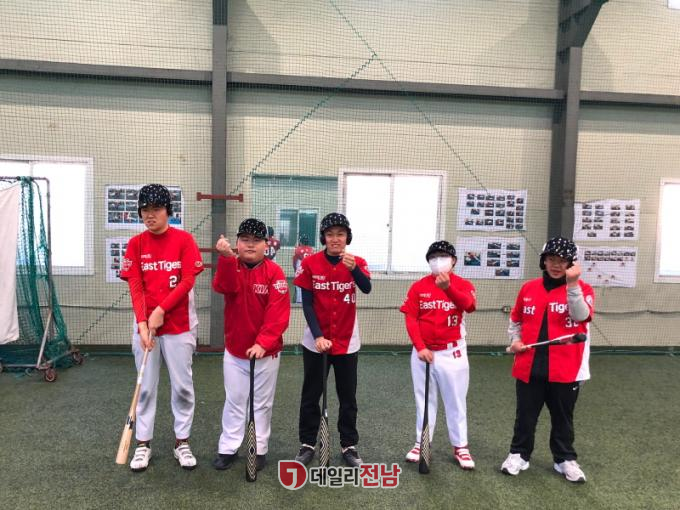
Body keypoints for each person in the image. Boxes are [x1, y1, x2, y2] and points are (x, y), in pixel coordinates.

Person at [119, 184, 204, 472]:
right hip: (146, 327)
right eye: (145, 210)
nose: (150, 215)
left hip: (179, 325)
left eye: (156, 209)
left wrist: (161, 310)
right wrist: (142, 323)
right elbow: (135, 286)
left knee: (182, 387)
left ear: (168, 211)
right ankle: (143, 443)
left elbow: (187, 281)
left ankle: (182, 442)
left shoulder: (184, 240)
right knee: (145, 387)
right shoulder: (136, 244)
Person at [501, 236, 594, 483]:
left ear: (571, 264)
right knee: (525, 416)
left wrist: (572, 285)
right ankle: (519, 454)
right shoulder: (528, 288)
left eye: (562, 260)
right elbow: (516, 320)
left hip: (566, 369)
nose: (556, 265)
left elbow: (581, 315)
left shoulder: (583, 289)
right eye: (551, 259)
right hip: (529, 366)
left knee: (563, 418)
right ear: (543, 261)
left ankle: (564, 459)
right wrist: (515, 340)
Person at [211, 218, 291, 472]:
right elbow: (223, 286)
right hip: (235, 351)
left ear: (266, 245)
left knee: (262, 404)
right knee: (234, 400)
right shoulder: (231, 264)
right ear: (237, 242)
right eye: (244, 239)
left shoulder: (274, 273)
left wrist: (262, 343)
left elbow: (278, 314)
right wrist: (226, 258)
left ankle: (259, 448)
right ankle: (228, 447)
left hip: (266, 354)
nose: (250, 245)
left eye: (256, 240)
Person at [293, 213, 371, 467]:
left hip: (347, 341)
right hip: (316, 342)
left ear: (347, 237)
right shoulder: (310, 263)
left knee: (347, 397)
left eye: (340, 234)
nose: (335, 239)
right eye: (330, 234)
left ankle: (349, 445)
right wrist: (318, 336)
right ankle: (307, 443)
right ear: (323, 238)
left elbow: (366, 288)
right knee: (311, 394)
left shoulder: (357, 262)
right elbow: (307, 304)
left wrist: (354, 269)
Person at [400, 241, 477, 470]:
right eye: (433, 257)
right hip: (423, 353)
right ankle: (421, 443)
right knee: (424, 400)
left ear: (453, 260)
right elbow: (411, 318)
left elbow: (469, 306)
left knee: (456, 400)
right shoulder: (418, 286)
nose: (438, 260)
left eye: (443, 256)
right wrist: (420, 347)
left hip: (452, 352)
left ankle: (460, 446)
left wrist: (448, 288)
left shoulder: (463, 284)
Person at [292, 234, 314, 304]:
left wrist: (295, 270)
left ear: (301, 242)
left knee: (298, 286)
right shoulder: (311, 249)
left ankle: (299, 301)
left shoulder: (298, 249)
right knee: (308, 286)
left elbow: (294, 261)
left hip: (300, 269)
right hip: (309, 269)